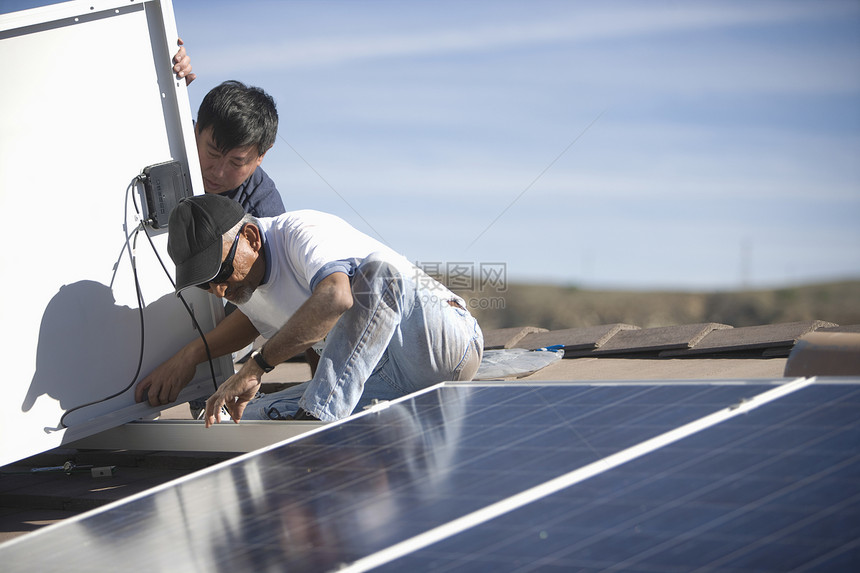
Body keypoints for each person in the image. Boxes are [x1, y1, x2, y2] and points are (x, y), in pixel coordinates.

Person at [133, 194, 484, 424]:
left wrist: (257, 366)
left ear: (252, 238)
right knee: (246, 421)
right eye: (205, 285)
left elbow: (336, 298)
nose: (219, 290)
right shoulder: (247, 289)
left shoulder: (301, 232)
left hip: (439, 346)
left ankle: (318, 422)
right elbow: (273, 327)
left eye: (222, 273)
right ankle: (315, 419)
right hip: (378, 378)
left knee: (379, 274)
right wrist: (191, 355)